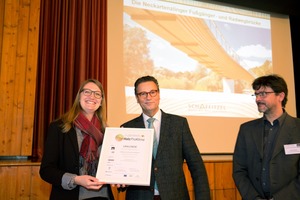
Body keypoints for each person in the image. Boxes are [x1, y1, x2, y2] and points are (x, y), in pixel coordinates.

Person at [120, 75, 210, 200]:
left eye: (152, 92)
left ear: (159, 94)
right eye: (143, 94)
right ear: (137, 98)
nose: (148, 97)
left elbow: (196, 166)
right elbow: (122, 171)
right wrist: (120, 180)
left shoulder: (179, 124)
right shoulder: (127, 128)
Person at [40, 79, 114, 200]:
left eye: (97, 94)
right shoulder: (59, 127)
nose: (92, 96)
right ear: (79, 97)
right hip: (70, 196)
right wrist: (75, 179)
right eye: (87, 92)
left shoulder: (108, 132)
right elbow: (46, 170)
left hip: (103, 196)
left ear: (101, 101)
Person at [232, 74, 300, 200]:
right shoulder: (246, 129)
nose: (258, 99)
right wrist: (254, 198)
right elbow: (239, 170)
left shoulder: (298, 128)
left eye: (263, 94)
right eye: (256, 94)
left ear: (280, 96)